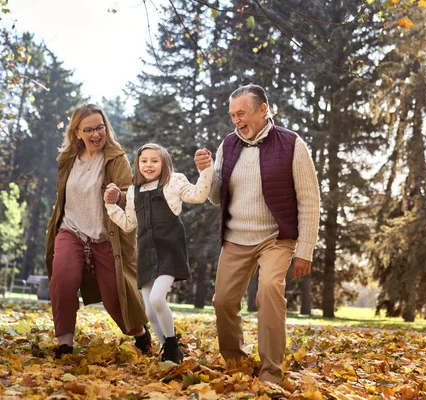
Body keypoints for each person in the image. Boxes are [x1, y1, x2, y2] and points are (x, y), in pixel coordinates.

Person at [194, 84, 320, 384]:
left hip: (276, 237)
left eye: (242, 113)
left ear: (263, 110)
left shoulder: (292, 144)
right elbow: (215, 196)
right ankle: (236, 361)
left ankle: (271, 372)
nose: (236, 120)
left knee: (269, 293)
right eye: (232, 115)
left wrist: (305, 250)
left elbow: (309, 199)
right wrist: (206, 171)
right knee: (223, 301)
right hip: (236, 236)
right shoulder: (229, 144)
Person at [45, 104, 151, 359]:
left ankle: (139, 332)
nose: (95, 134)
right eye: (89, 129)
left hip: (106, 237)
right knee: (63, 280)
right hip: (70, 230)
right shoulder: (68, 160)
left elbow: (130, 196)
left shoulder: (115, 159)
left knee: (115, 299)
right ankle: (65, 345)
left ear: (106, 128)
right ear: (77, 133)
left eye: (100, 127)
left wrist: (119, 195)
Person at [104, 143, 214, 364]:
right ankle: (167, 350)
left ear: (164, 163)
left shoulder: (174, 181)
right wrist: (111, 205)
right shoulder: (134, 191)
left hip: (169, 252)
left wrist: (206, 171)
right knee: (149, 312)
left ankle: (173, 347)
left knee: (157, 298)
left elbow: (198, 196)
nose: (149, 165)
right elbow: (128, 224)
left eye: (155, 160)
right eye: (144, 161)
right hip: (145, 255)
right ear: (138, 164)